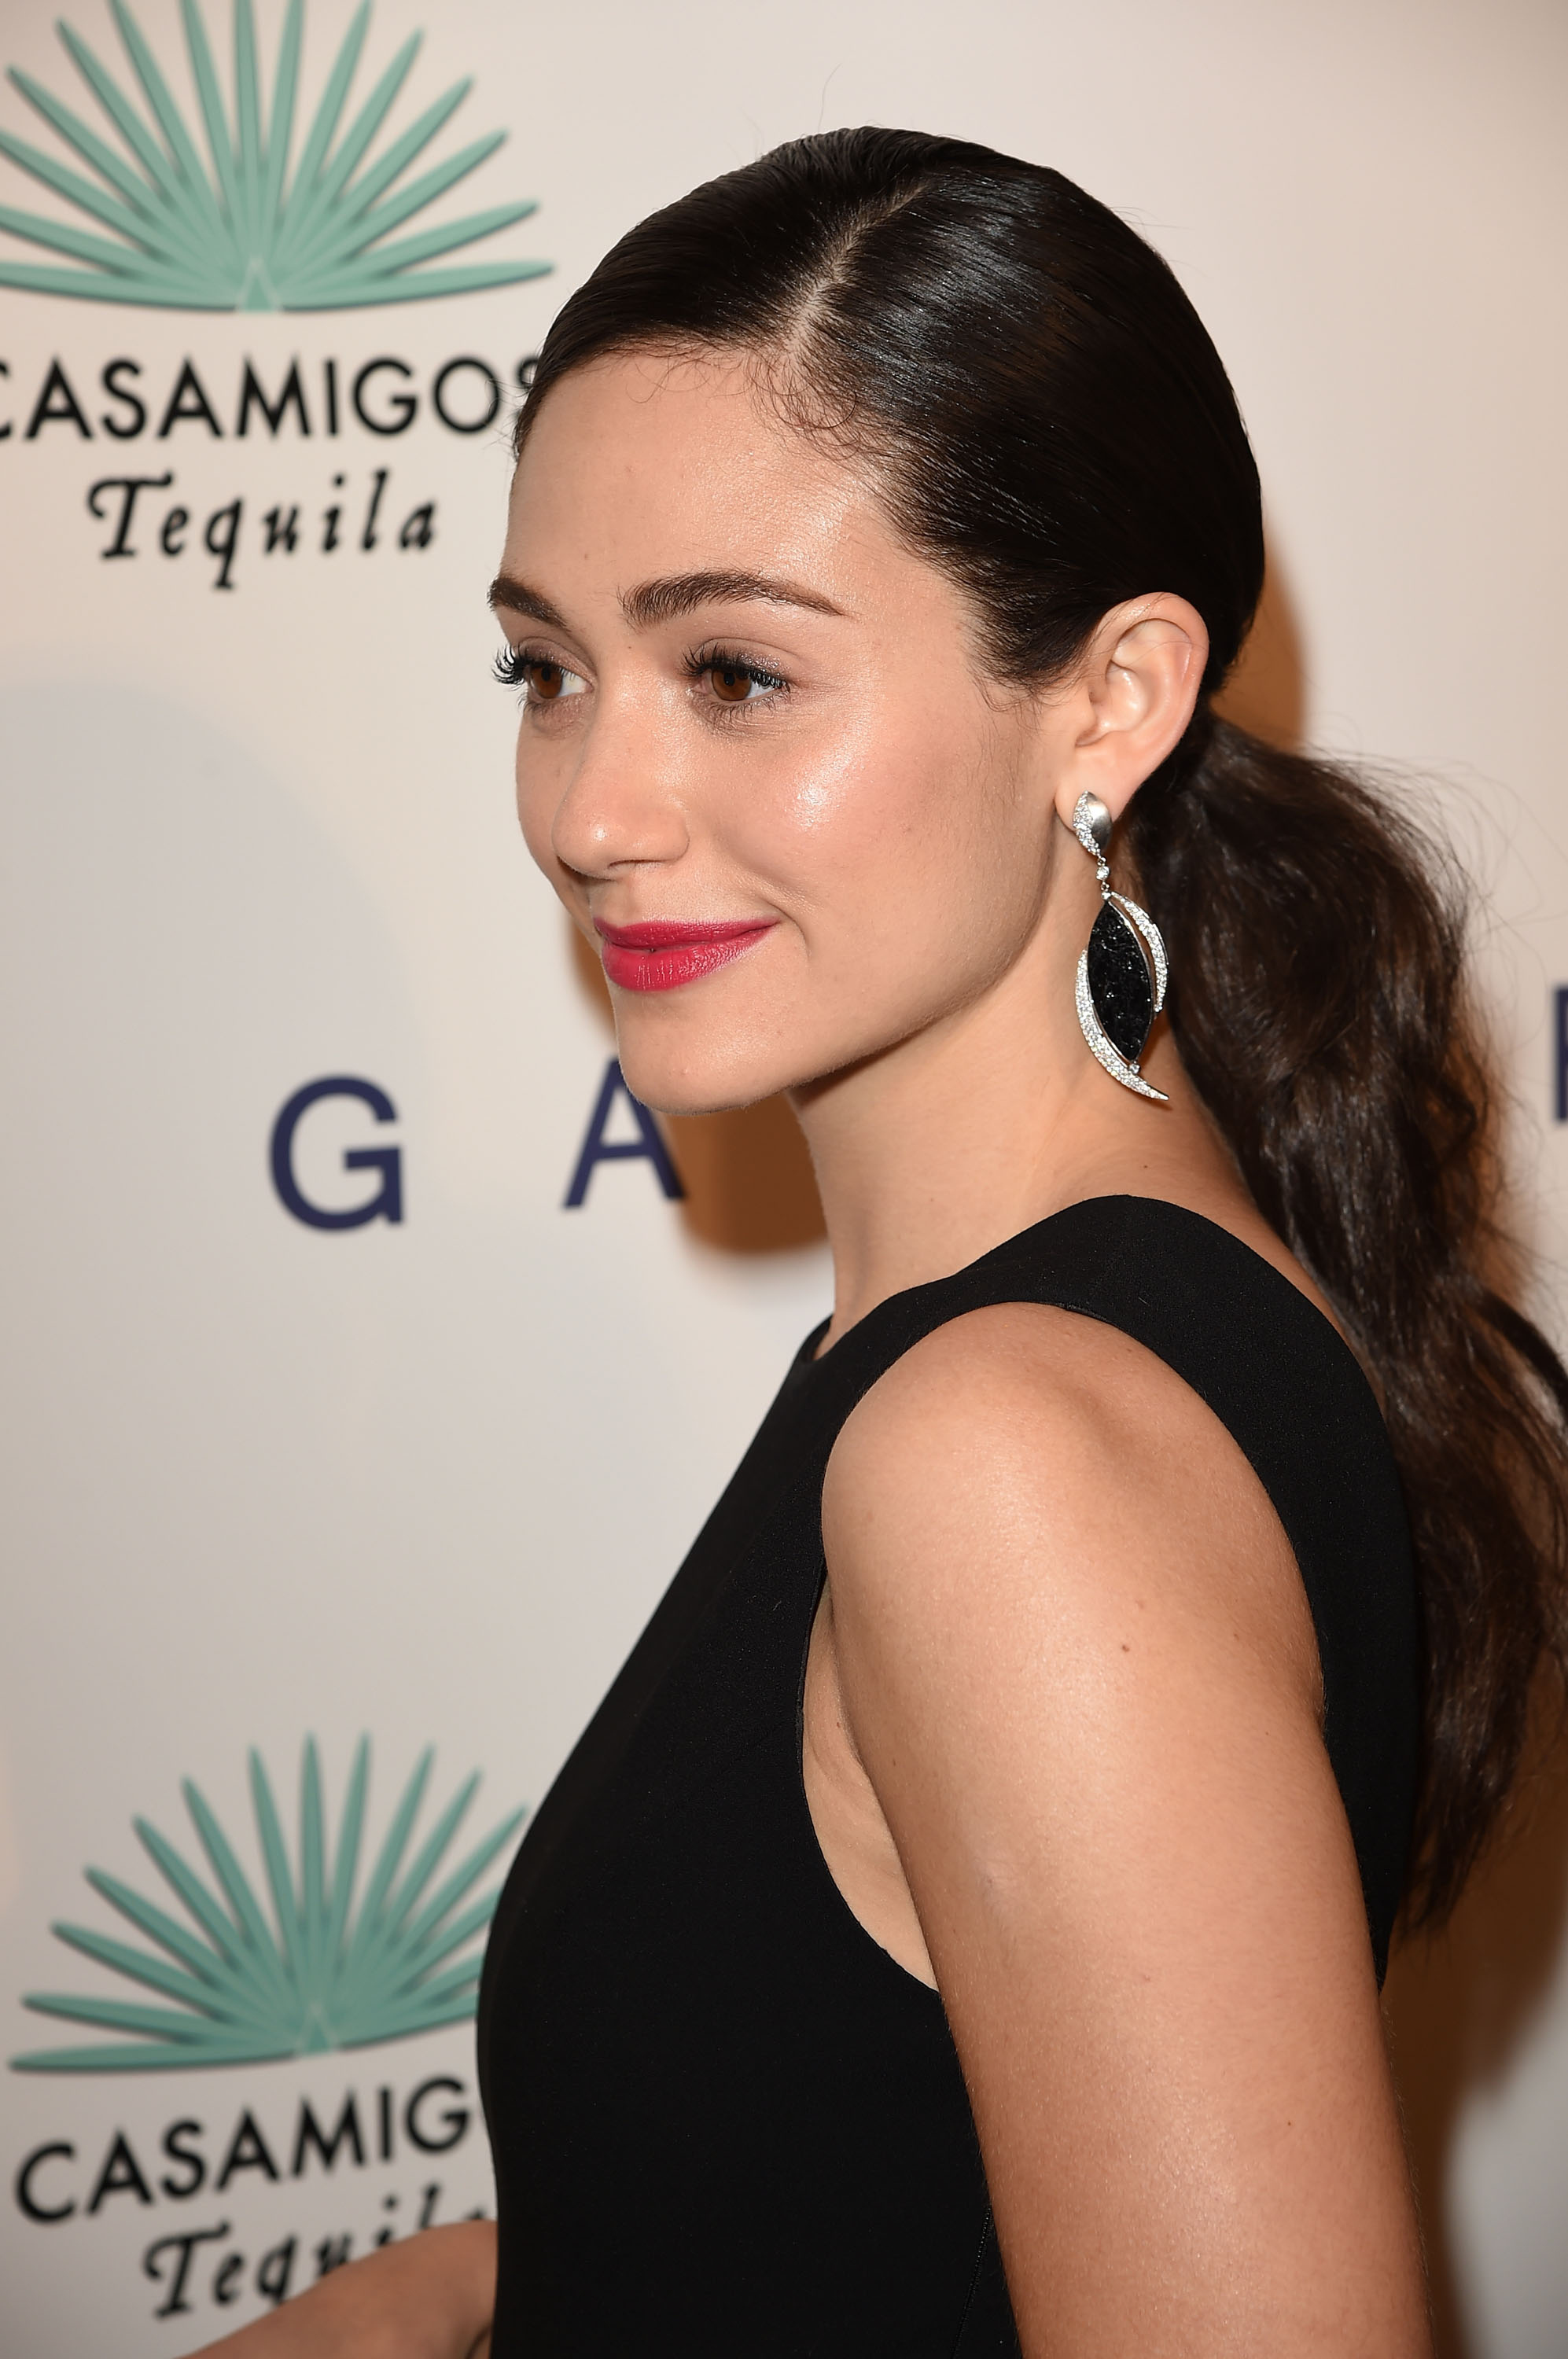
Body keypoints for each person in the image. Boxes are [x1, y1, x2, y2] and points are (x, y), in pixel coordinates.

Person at [191, 129, 1568, 2359]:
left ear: (1110, 700)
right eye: (546, 671)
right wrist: (429, 2301)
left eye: (737, 672)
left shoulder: (1006, 1458)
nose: (594, 812)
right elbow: (835, 2200)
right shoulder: (1040, 1336)